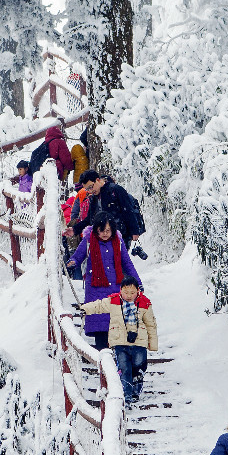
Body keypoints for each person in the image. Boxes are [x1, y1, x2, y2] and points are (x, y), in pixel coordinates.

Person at [77, 276, 156, 404]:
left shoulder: (144, 303)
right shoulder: (114, 301)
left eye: (132, 292)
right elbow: (99, 305)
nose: (129, 296)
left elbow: (151, 324)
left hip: (139, 342)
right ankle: (126, 394)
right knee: (124, 367)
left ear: (138, 291)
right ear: (120, 290)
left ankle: (136, 389)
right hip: (119, 341)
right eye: (126, 292)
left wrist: (152, 343)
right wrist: (85, 308)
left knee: (139, 366)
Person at [68, 216, 139, 348]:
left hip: (115, 288)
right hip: (95, 289)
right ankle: (102, 353)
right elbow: (78, 256)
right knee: (99, 325)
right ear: (96, 229)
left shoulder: (118, 242)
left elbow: (127, 263)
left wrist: (137, 283)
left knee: (114, 325)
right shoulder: (89, 240)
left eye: (108, 230)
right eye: (102, 230)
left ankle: (114, 354)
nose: (105, 233)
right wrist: (72, 263)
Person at [73, 171, 149, 260]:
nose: (90, 191)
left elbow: (128, 210)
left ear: (98, 180)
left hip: (121, 234)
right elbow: (89, 220)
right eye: (87, 189)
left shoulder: (115, 190)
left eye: (91, 187)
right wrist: (74, 229)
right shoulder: (94, 198)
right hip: (104, 237)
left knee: (115, 262)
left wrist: (134, 231)